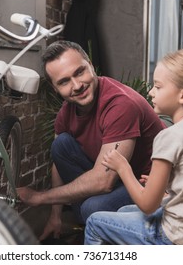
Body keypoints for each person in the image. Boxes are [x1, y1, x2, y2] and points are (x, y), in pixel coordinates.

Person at [84, 48, 183, 245]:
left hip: (176, 239)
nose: (151, 92)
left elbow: (147, 205)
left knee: (95, 223)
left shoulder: (170, 136)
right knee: (123, 211)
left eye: (158, 87)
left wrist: (123, 167)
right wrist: (168, 186)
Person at [17, 40, 165, 241]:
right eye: (64, 82)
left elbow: (104, 181)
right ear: (55, 88)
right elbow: (58, 165)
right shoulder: (66, 113)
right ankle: (94, 216)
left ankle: (101, 221)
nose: (77, 86)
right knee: (61, 145)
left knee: (92, 209)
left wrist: (38, 197)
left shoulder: (120, 104)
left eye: (79, 72)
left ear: (91, 66)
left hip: (148, 185)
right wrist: (55, 216)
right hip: (117, 176)